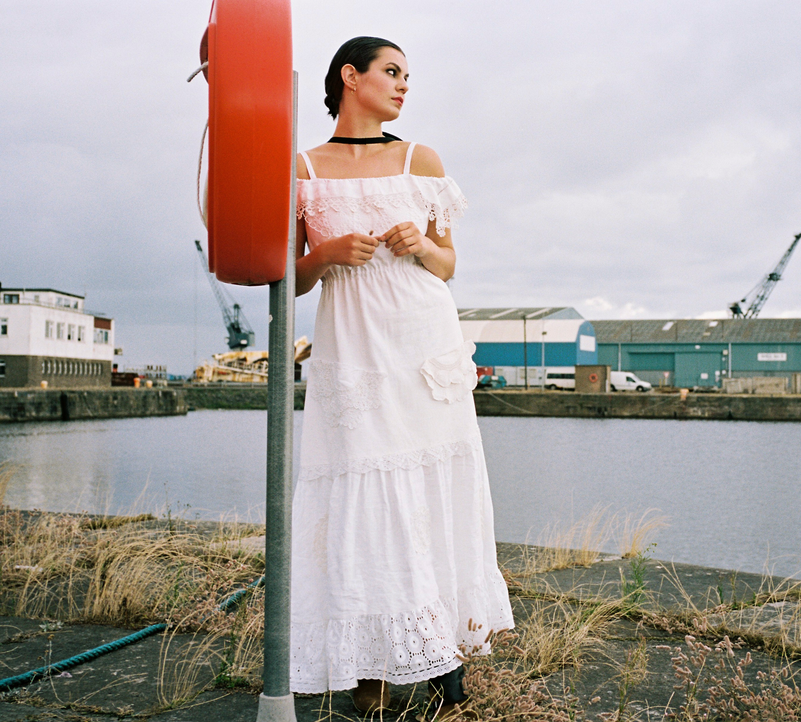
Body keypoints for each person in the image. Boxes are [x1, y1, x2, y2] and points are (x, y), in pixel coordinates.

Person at [290, 36, 514, 717]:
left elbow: (450, 265)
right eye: (391, 72)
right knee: (364, 498)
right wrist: (324, 252)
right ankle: (371, 671)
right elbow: (286, 280)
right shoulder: (301, 168)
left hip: (422, 346)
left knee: (434, 490)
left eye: (407, 76)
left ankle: (451, 655)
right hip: (352, 348)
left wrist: (423, 244)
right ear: (349, 77)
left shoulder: (422, 160)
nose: (403, 85)